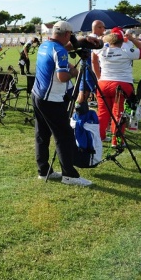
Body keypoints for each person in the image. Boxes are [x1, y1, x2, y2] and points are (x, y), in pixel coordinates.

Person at [32, 21, 91, 186]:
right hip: (51, 99)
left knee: (42, 134)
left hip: (37, 95)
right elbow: (62, 77)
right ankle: (69, 175)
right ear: (66, 34)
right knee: (64, 136)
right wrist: (74, 72)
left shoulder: (45, 45)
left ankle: (44, 171)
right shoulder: (60, 50)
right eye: (70, 36)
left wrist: (82, 41)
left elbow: (61, 55)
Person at [92, 27, 141, 146]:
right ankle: (116, 142)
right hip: (121, 84)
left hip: (103, 83)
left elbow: (93, 58)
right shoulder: (126, 50)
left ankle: (100, 137)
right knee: (118, 113)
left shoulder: (102, 49)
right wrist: (132, 39)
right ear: (123, 41)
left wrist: (98, 76)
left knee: (102, 112)